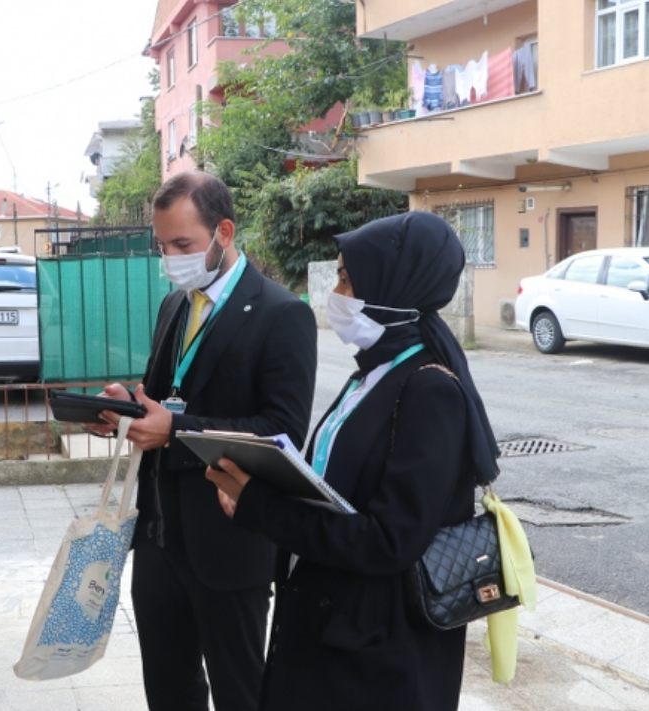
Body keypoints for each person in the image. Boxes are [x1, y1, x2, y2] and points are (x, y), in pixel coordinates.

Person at [205, 211, 501, 711]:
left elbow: (388, 542)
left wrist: (260, 505)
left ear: (393, 285)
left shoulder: (429, 390)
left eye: (347, 278)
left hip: (375, 656)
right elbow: (334, 490)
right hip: (329, 628)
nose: (336, 292)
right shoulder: (373, 374)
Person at [92, 172, 318, 711]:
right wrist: (128, 408)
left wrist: (178, 430)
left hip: (229, 544)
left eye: (183, 244)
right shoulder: (176, 305)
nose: (171, 257)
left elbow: (282, 431)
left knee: (241, 693)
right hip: (159, 539)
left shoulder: (282, 314)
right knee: (169, 692)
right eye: (163, 246)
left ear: (224, 231)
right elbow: (169, 397)